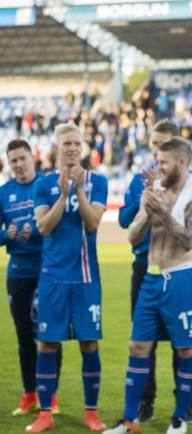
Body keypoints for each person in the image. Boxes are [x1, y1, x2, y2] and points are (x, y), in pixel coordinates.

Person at [104, 137, 192, 434]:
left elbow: (189, 240)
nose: (158, 167)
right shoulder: (155, 192)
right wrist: (146, 210)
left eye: (163, 162)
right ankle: (130, 419)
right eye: (157, 161)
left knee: (185, 349)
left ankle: (180, 417)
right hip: (152, 277)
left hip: (182, 277)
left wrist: (164, 215)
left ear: (182, 163)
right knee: (137, 345)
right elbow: (132, 237)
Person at [27, 123, 108, 433]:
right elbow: (44, 227)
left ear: (82, 147)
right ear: (57, 148)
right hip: (53, 278)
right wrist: (63, 196)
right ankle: (45, 413)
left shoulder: (97, 181)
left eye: (76, 143)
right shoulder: (43, 184)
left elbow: (93, 223)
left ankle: (91, 412)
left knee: (89, 343)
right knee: (47, 344)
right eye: (67, 144)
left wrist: (76, 191)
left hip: (86, 279)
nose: (72, 148)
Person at [117, 120, 179, 422]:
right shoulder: (138, 179)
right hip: (144, 266)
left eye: (163, 144)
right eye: (154, 144)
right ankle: (146, 403)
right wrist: (143, 200)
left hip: (177, 267)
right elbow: (123, 221)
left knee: (184, 340)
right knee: (144, 339)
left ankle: (185, 405)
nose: (156, 150)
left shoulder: (188, 182)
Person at [1, 140, 61, 417]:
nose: (18, 165)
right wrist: (7, 235)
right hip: (18, 273)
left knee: (49, 334)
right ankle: (29, 394)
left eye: (22, 158)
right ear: (8, 163)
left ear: (32, 158)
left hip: (47, 271)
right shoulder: (4, 193)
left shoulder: (48, 184)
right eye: (13, 161)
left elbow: (59, 225)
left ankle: (52, 395)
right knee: (24, 335)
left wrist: (35, 232)